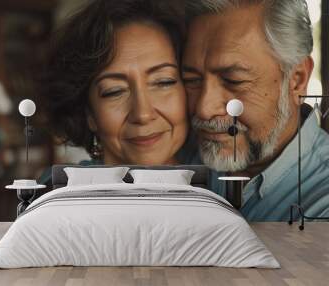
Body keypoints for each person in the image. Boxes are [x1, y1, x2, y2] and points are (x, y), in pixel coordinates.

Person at [183, 0, 329, 221]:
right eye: (191, 80)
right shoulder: (180, 155)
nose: (203, 109)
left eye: (233, 81)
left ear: (296, 80)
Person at [40, 0, 189, 166]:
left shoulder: (219, 185)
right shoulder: (58, 190)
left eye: (163, 82)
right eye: (114, 91)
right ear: (89, 114)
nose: (142, 114)